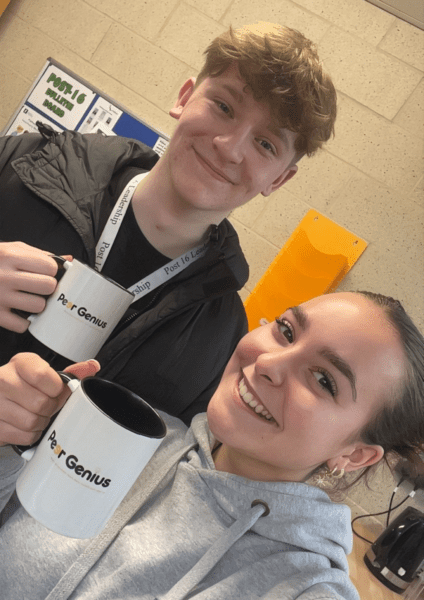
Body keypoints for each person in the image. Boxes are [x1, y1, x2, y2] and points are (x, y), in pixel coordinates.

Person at [0, 22, 337, 427]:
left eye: (265, 144)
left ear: (278, 180)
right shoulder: (20, 164)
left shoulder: (221, 337)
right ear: (184, 97)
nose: (229, 148)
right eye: (223, 107)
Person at [0, 290, 423, 600]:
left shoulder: (302, 585)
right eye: (286, 331)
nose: (268, 363)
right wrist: (10, 438)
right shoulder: (129, 435)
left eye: (324, 379)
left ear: (354, 455)